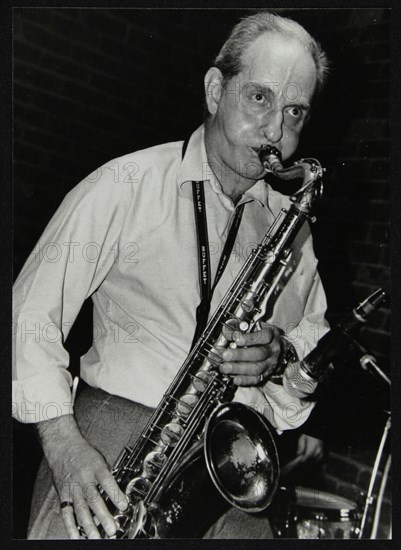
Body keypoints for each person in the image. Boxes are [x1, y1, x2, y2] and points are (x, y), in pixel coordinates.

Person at [12, 11, 329, 539]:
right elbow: (26, 314)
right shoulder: (125, 183)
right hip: (114, 440)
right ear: (214, 90)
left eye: (295, 111)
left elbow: (311, 344)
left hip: (229, 460)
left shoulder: (291, 229)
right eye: (259, 97)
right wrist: (65, 446)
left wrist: (282, 355)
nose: (277, 129)